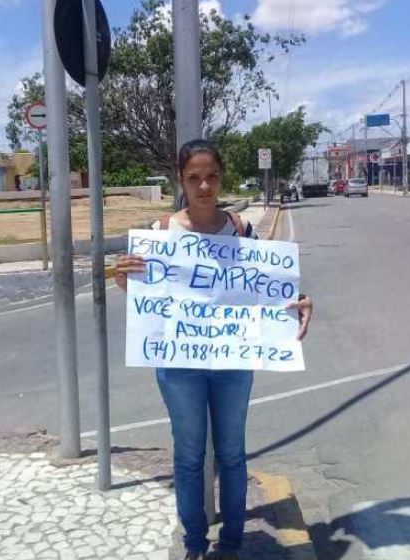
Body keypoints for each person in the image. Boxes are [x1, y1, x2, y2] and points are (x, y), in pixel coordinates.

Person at [115, 139, 313, 560]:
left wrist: (297, 305)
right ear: (181, 181)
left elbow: (267, 288)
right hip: (178, 364)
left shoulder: (241, 231)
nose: (204, 186)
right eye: (194, 178)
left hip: (233, 360)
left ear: (221, 178)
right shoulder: (161, 235)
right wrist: (122, 275)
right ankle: (193, 545)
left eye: (212, 177)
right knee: (188, 455)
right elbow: (137, 293)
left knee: (232, 453)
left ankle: (232, 543)